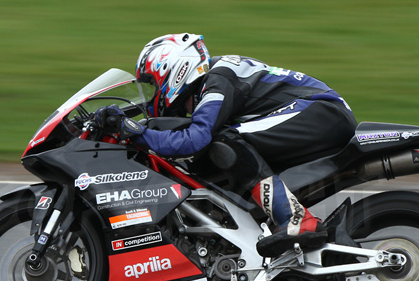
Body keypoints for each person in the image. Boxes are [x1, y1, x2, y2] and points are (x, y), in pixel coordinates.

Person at [94, 33, 357, 257]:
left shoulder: (216, 79)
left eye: (152, 83)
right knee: (213, 155)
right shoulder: (208, 85)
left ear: (174, 69)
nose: (153, 94)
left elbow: (194, 139)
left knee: (224, 142)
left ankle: (296, 220)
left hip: (321, 112)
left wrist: (138, 134)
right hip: (312, 115)